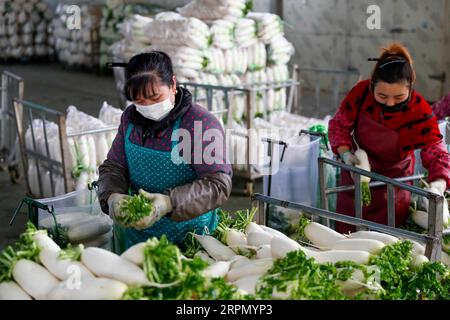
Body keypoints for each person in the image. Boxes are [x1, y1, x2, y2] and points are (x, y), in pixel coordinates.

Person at [98, 52, 232, 252]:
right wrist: (112, 196)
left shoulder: (199, 124)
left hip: (190, 237)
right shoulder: (130, 120)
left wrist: (169, 202)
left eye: (155, 97)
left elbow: (218, 184)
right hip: (136, 237)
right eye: (139, 101)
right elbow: (114, 166)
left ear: (173, 85)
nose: (148, 107)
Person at [328, 43, 450, 234]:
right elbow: (339, 124)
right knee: (346, 235)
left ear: (410, 88)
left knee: (387, 240)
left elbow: (435, 150)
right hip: (356, 174)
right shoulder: (360, 94)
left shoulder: (419, 111)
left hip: (394, 186)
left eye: (399, 97)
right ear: (372, 84)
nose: (390, 103)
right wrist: (345, 154)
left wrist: (438, 183)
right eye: (382, 96)